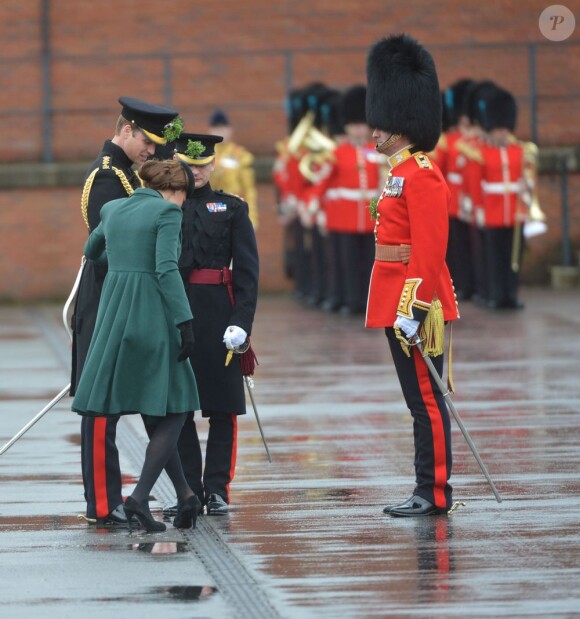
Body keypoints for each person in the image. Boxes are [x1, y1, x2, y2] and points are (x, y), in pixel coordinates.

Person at [70, 96, 183, 526]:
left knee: (133, 400)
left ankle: (161, 492)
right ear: (127, 131)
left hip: (125, 299)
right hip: (106, 299)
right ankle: (103, 501)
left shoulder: (129, 175)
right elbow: (105, 248)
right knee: (101, 406)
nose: (152, 151)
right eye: (148, 142)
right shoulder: (108, 177)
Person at [365, 34, 460, 516]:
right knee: (416, 400)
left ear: (401, 124)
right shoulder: (399, 172)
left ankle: (434, 490)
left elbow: (429, 248)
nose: (373, 133)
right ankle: (426, 486)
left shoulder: (422, 174)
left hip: (416, 303)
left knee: (426, 398)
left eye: (380, 125)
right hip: (394, 298)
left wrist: (416, 306)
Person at [167, 132, 259, 516]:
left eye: (203, 164)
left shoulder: (233, 208)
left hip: (220, 312)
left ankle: (218, 488)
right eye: (190, 166)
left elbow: (248, 274)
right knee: (180, 407)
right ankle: (188, 489)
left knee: (222, 407)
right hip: (176, 310)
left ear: (214, 164)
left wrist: (242, 322)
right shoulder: (165, 208)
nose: (198, 172)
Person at [208, 109, 259, 228]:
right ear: (210, 130)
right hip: (211, 210)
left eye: (223, 128)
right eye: (216, 128)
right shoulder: (205, 155)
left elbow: (248, 189)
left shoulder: (240, 155)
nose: (220, 132)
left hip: (234, 209)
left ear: (230, 130)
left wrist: (252, 217)